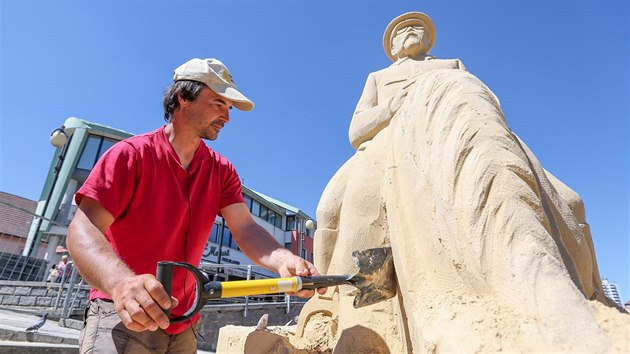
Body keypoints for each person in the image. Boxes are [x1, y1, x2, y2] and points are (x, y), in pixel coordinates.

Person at [67, 57, 326, 353]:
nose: (227, 117)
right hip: (125, 311)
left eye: (229, 109)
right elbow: (83, 229)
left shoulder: (222, 170)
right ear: (183, 98)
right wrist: (121, 283)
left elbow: (244, 229)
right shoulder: (131, 155)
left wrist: (283, 260)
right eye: (218, 103)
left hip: (186, 322)